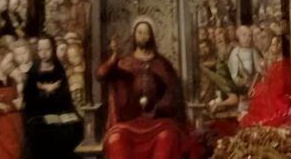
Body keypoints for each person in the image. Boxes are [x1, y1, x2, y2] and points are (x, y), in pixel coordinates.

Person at [96, 20, 186, 159]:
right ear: (134, 36)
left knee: (168, 137)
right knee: (116, 139)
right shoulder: (124, 63)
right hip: (129, 123)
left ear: (151, 36)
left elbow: (172, 94)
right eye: (140, 32)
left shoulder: (162, 64)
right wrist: (114, 56)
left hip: (158, 122)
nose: (143, 36)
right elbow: (101, 75)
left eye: (146, 33)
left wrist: (157, 108)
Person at [23, 34, 81, 159]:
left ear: (52, 49)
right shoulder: (33, 71)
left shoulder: (59, 68)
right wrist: (44, 90)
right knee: (43, 131)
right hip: (38, 114)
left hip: (59, 111)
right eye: (40, 50)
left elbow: (65, 96)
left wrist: (56, 93)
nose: (44, 53)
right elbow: (29, 98)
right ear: (37, 51)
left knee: (73, 127)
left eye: (47, 49)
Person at [0, 46, 24, 159]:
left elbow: (19, 103)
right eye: (8, 61)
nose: (10, 65)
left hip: (15, 131)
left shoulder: (13, 81)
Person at [227, 25, 264, 96]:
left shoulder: (253, 51)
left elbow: (259, 70)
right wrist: (242, 82)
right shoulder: (235, 52)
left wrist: (252, 84)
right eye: (244, 35)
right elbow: (232, 74)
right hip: (239, 89)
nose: (247, 38)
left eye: (249, 36)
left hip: (253, 87)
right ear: (238, 36)